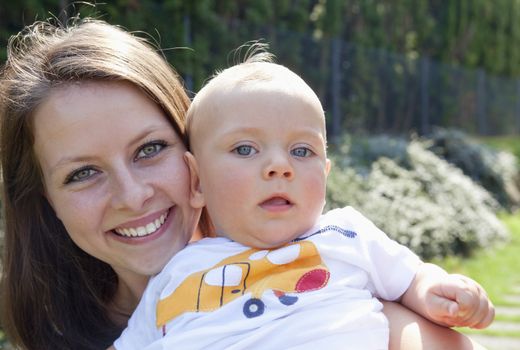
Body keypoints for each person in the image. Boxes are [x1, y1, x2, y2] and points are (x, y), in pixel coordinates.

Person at [0, 17, 489, 350]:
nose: (133, 195)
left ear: (193, 163)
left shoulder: (323, 261)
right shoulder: (63, 330)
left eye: (150, 149)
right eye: (82, 173)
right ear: (46, 198)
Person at [112, 49, 494, 349]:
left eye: (302, 151)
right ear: (196, 181)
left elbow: (411, 278)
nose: (280, 166)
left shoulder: (346, 235)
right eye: (245, 149)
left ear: (325, 174)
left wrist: (439, 292)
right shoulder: (178, 273)